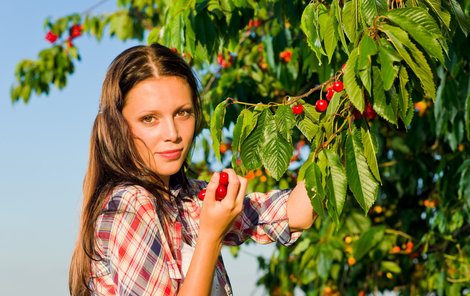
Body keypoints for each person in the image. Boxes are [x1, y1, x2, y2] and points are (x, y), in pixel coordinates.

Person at [69, 43, 316, 296]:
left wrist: (335, 134)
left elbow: (294, 215)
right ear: (117, 126)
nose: (172, 134)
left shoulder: (187, 201)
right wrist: (211, 235)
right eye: (149, 119)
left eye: (182, 113)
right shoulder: (129, 205)